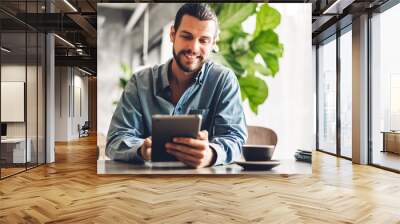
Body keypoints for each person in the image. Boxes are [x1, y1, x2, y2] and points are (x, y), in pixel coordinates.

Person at [106, 3, 247, 168]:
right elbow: (116, 139)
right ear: (172, 34)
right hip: (148, 185)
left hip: (205, 187)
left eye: (203, 40)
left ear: (213, 43)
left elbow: (234, 138)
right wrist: (141, 150)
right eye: (187, 36)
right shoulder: (140, 82)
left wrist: (211, 153)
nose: (193, 48)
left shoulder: (224, 81)